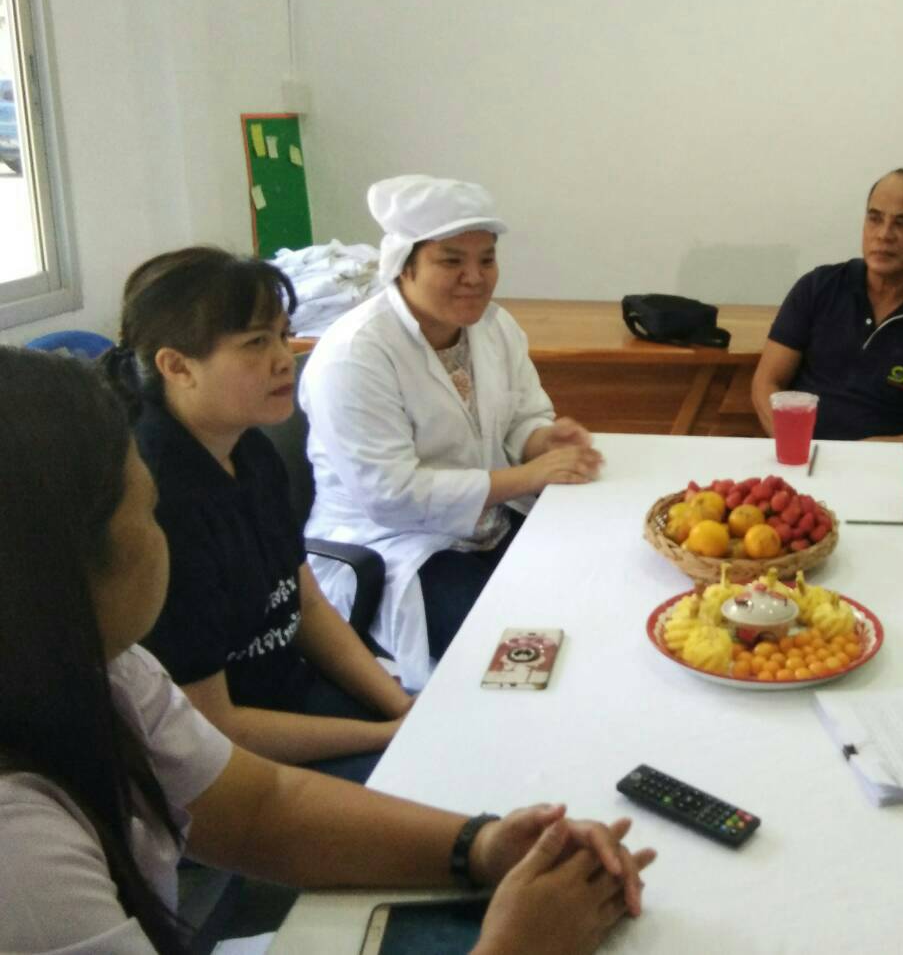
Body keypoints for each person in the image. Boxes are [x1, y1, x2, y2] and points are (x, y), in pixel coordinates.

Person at [0, 347, 654, 955]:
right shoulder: (20, 854)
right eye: (148, 512)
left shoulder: (110, 669)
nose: (161, 535)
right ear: (58, 565)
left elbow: (261, 808)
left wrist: (480, 846)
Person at [98, 248, 408, 784]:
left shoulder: (248, 447)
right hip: (222, 761)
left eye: (284, 336)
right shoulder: (156, 501)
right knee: (430, 797)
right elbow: (213, 728)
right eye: (255, 343)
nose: (285, 359)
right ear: (177, 366)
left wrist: (402, 707)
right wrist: (385, 736)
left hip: (291, 699)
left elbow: (305, 604)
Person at [301, 175, 602, 690]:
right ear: (404, 265)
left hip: (486, 524)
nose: (475, 278)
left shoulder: (494, 327)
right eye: (451, 261)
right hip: (398, 547)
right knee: (516, 656)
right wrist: (528, 475)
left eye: (487, 259)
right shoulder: (356, 354)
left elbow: (523, 416)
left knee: (586, 600)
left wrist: (541, 440)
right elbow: (392, 495)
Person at [750, 168, 903, 445]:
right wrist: (794, 441)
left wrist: (872, 453)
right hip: (801, 455)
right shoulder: (818, 287)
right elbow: (766, 382)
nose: (884, 234)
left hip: (884, 463)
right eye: (875, 218)